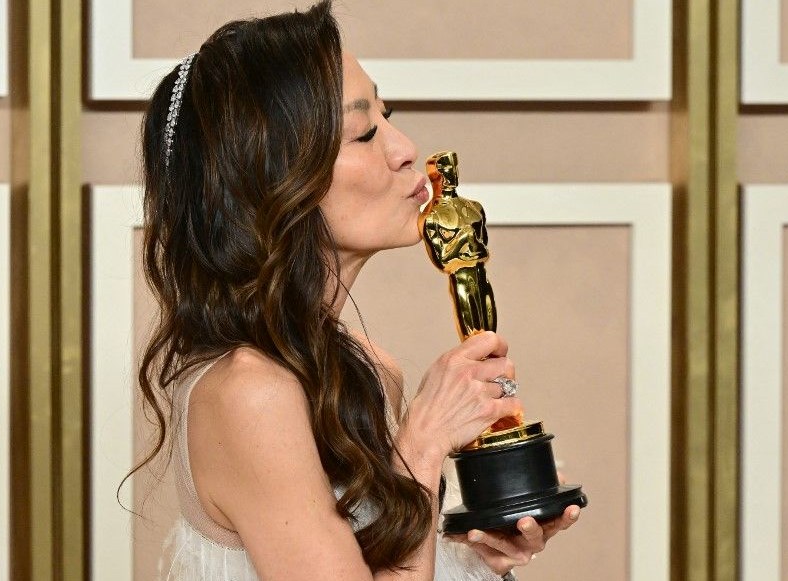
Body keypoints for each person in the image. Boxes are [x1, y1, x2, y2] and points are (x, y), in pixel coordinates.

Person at [133, 2, 580, 579]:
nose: (404, 148)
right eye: (365, 132)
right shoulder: (249, 393)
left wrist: (471, 556)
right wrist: (424, 441)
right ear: (274, 177)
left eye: (387, 117)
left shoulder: (367, 370)